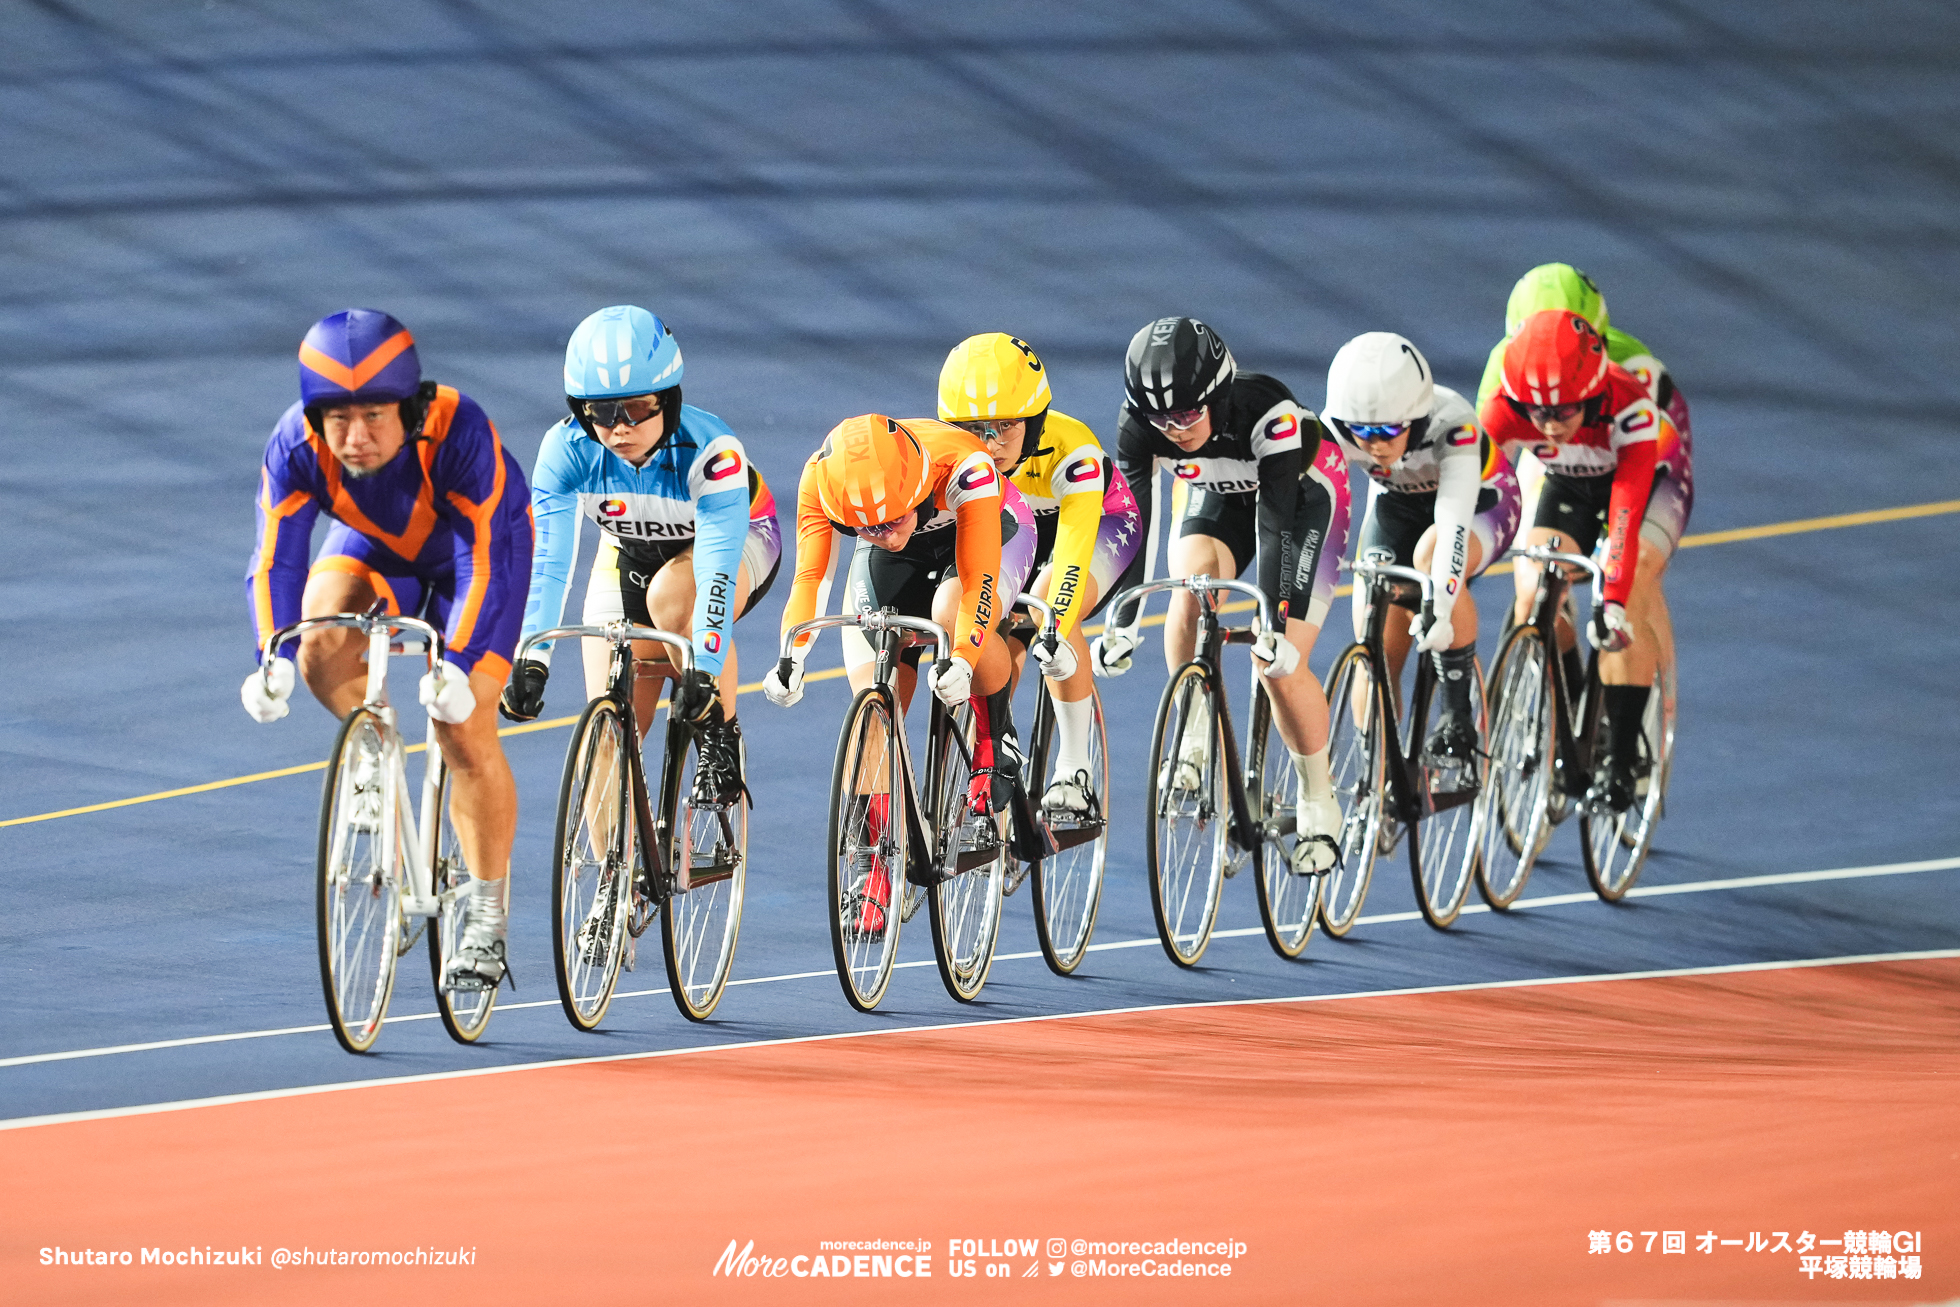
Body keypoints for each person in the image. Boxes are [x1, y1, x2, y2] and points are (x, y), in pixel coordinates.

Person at [241, 309, 533, 990]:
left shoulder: (460, 432)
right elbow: (275, 560)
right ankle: (375, 750)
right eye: (335, 418)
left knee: (462, 726)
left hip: (481, 557)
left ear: (411, 406)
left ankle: (485, 919)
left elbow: (483, 561)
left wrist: (456, 664)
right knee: (318, 645)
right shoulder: (295, 444)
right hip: (380, 548)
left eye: (373, 415)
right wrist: (271, 656)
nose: (355, 436)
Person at [498, 306, 780, 809]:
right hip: (628, 548)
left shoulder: (712, 451)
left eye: (636, 408)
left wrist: (706, 671)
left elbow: (715, 574)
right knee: (604, 746)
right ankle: (617, 882)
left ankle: (720, 735)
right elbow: (549, 563)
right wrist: (531, 657)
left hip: (734, 539)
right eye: (600, 412)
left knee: (673, 599)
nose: (618, 428)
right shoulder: (564, 451)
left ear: (668, 401)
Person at [1097, 318, 1351, 873]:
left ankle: (1319, 797)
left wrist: (1273, 628)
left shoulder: (1268, 414)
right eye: (1161, 418)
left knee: (1277, 666)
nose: (1174, 428)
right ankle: (1194, 734)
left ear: (1215, 394)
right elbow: (1134, 522)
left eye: (1187, 413)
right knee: (1190, 587)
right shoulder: (1141, 427)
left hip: (1302, 499)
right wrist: (1125, 622)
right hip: (1219, 492)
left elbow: (1276, 526)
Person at [765, 414, 1035, 934]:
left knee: (952, 609)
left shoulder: (966, 467)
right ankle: (872, 869)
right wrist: (791, 656)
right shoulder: (823, 481)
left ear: (914, 490)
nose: (882, 536)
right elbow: (811, 577)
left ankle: (993, 735)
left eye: (891, 520)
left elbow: (979, 577)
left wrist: (963, 652)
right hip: (913, 549)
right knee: (875, 704)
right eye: (867, 528)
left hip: (988, 525)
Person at [1481, 309, 1692, 811]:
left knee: (1627, 590)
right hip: (1568, 482)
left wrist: (1612, 600)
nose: (1549, 425)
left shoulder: (1628, 407)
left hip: (1641, 480)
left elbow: (1623, 516)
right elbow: (1480, 492)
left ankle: (1621, 759)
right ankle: (1574, 715)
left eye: (1564, 412)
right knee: (1535, 590)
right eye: (1537, 413)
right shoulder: (1504, 409)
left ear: (1593, 393)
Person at [936, 333, 1142, 816]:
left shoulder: (1075, 451)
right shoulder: (955, 454)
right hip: (1013, 532)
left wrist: (1052, 623)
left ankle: (1074, 767)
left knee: (1047, 608)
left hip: (1095, 524)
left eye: (1005, 426)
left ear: (1034, 418)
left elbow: (1070, 558)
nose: (990, 443)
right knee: (991, 638)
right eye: (974, 428)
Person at [1476, 262, 1695, 677]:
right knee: (1533, 587)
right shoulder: (1507, 369)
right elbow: (1485, 471)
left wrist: (1615, 579)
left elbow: (1631, 490)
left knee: (1635, 579)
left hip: (1647, 455)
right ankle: (1568, 697)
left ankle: (1630, 722)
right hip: (1563, 465)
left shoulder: (1633, 372)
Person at [1321, 332, 1521, 760]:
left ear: (1416, 417)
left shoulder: (1454, 425)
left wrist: (1442, 609)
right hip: (1397, 505)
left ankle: (1456, 712)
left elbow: (1451, 526)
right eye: (1362, 433)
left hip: (1480, 501)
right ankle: (1377, 772)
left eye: (1389, 430)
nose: (1374, 444)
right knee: (1372, 634)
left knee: (1431, 559)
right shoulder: (1334, 427)